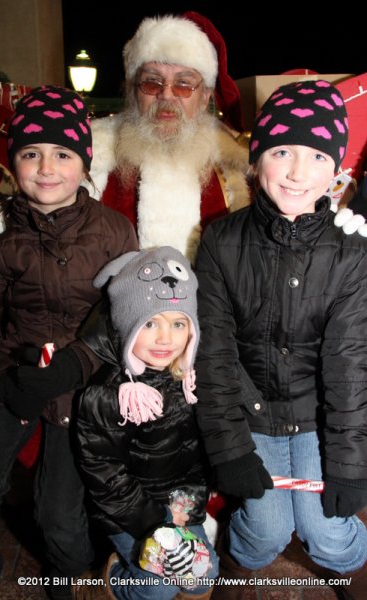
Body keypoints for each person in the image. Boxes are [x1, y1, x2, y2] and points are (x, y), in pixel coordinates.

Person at [194, 80, 367, 600]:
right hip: (251, 413)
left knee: (327, 533)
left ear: (335, 169)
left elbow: (350, 365)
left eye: (317, 156)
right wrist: (229, 450)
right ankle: (236, 565)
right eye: (282, 151)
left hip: (318, 416)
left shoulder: (351, 252)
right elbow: (214, 354)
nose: (297, 172)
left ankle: (351, 570)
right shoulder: (221, 241)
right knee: (265, 532)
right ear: (256, 157)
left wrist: (349, 467)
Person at [0, 85, 138, 600]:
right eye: (30, 154)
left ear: (84, 163)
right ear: (13, 162)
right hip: (14, 376)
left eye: (62, 153)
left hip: (79, 384)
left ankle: (68, 583)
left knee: (59, 514)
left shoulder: (114, 231)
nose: (46, 168)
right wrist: (1, 377)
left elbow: (123, 316)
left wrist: (77, 364)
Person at [0, 12, 250, 265]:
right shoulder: (88, 154)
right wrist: (5, 220)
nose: (166, 95)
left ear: (204, 97)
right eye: (152, 82)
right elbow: (40, 202)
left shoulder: (235, 172)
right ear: (133, 91)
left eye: (184, 84)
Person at [76, 246, 219, 600]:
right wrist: (156, 522)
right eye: (150, 323)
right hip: (129, 514)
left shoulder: (188, 381)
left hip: (178, 505)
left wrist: (185, 509)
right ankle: (111, 581)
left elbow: (195, 460)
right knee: (157, 589)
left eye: (178, 324)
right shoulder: (108, 395)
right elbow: (106, 477)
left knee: (202, 576)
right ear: (127, 324)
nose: (165, 338)